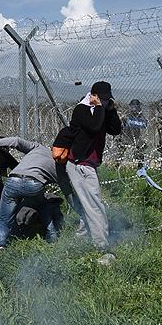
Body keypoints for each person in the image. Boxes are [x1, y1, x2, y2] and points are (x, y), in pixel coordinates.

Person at [51, 81, 121, 255]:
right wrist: (99, 108)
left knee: (88, 202)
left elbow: (115, 129)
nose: (104, 102)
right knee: (94, 204)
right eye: (102, 99)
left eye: (107, 99)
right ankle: (101, 246)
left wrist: (110, 110)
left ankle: (80, 240)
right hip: (79, 164)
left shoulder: (102, 110)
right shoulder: (81, 110)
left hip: (88, 164)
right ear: (93, 95)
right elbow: (95, 126)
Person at [0, 136, 78, 252]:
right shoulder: (60, 167)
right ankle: (52, 238)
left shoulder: (38, 148)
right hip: (34, 185)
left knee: (4, 218)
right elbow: (69, 195)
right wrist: (82, 212)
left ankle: (0, 246)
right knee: (44, 207)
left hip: (13, 180)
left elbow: (16, 141)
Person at [118, 99, 147, 167]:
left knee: (141, 146)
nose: (135, 108)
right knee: (120, 149)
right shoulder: (127, 115)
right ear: (130, 106)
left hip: (137, 137)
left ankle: (140, 165)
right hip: (126, 136)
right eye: (133, 106)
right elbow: (120, 124)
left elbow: (145, 124)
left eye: (137, 106)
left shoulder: (141, 116)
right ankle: (117, 163)